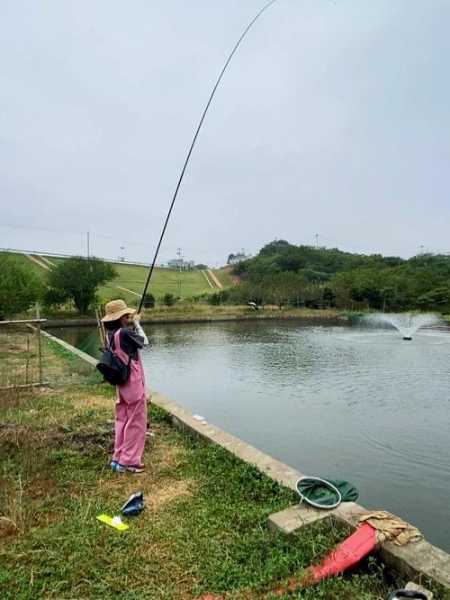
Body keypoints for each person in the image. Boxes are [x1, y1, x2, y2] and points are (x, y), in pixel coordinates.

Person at [101, 299, 149, 473]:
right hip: (133, 384)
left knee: (122, 421)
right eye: (126, 315)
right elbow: (144, 342)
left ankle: (118, 458)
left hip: (121, 386)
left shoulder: (110, 335)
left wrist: (133, 324)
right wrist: (137, 323)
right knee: (136, 423)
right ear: (121, 317)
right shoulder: (124, 333)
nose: (128, 317)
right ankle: (129, 462)